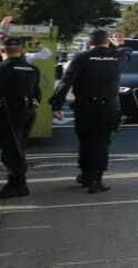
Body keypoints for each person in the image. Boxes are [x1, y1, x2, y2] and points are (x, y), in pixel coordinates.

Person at [49, 29, 123, 193]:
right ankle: (97, 179)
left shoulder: (81, 58)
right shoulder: (118, 57)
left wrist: (57, 105)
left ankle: (87, 175)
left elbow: (65, 82)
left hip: (85, 107)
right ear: (107, 41)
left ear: (90, 42)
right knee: (102, 142)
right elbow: (127, 51)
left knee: (86, 142)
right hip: (108, 107)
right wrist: (115, 46)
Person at [1, 35, 42, 199]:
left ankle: (18, 185)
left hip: (7, 114)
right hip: (27, 113)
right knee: (19, 147)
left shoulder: (2, 68)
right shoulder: (32, 69)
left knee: (10, 151)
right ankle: (17, 183)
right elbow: (37, 94)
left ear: (3, 50)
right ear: (22, 50)